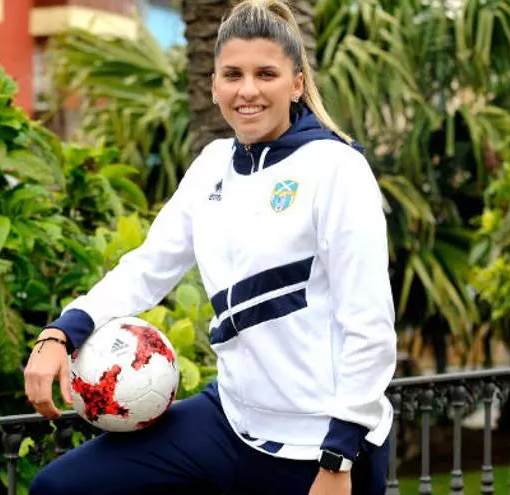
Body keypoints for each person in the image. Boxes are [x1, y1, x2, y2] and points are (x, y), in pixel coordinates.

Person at [24, 0, 397, 493]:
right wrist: (61, 332)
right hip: (231, 422)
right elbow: (148, 267)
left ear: (297, 83)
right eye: (233, 74)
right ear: (214, 85)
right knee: (60, 487)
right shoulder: (212, 165)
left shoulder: (337, 169)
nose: (248, 90)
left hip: (321, 444)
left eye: (266, 74)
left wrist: (338, 458)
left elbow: (369, 328)